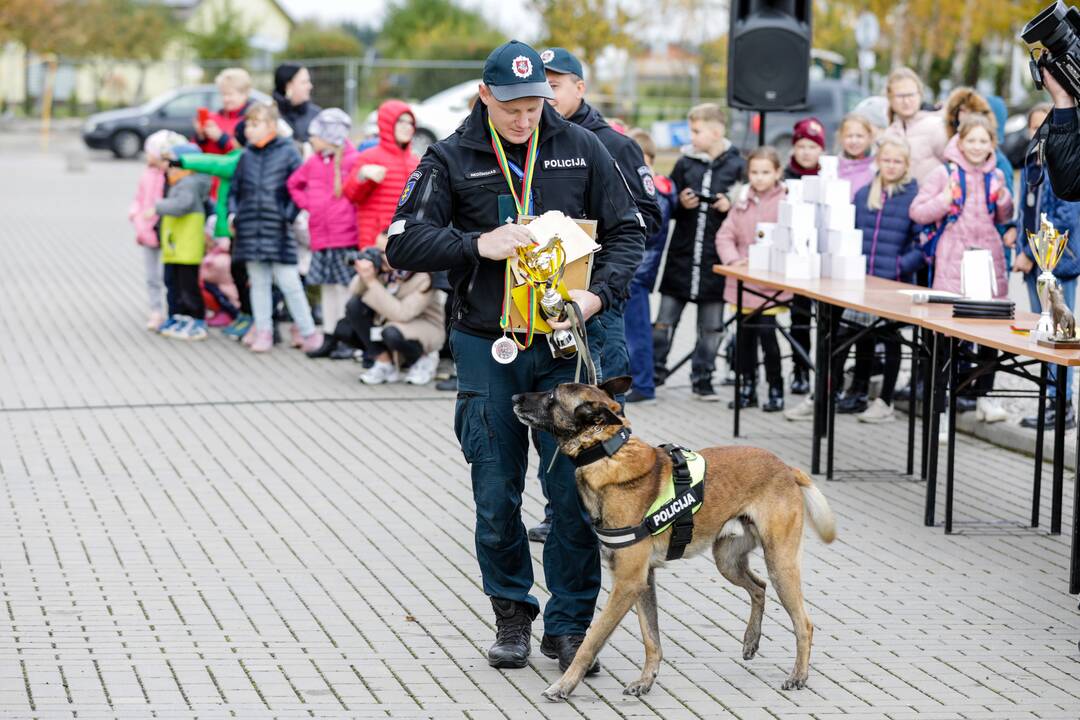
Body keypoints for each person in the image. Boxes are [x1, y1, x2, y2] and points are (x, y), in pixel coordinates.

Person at [385, 40, 643, 673]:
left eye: (534, 105)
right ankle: (511, 616)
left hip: (563, 346)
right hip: (488, 344)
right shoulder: (450, 156)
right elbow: (402, 242)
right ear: (484, 96)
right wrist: (478, 243)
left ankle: (569, 625)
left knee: (572, 492)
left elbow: (629, 233)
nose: (525, 120)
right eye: (512, 108)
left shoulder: (584, 149)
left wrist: (595, 296)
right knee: (495, 489)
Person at [542, 47, 661, 391]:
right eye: (541, 86)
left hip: (597, 299)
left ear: (579, 88)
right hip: (544, 298)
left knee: (599, 404)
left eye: (555, 85)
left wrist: (585, 232)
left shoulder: (614, 144)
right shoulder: (530, 143)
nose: (547, 95)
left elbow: (647, 221)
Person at [910, 114, 1014, 422]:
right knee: (948, 339)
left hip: (988, 259)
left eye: (984, 141)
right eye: (972, 140)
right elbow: (918, 211)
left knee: (988, 335)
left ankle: (984, 397)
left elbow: (1003, 216)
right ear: (960, 141)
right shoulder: (945, 173)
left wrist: (1005, 200)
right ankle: (941, 407)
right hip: (953, 261)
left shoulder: (996, 175)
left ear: (992, 144)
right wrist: (943, 200)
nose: (978, 146)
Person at [653, 102, 744, 400]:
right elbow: (668, 203)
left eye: (697, 131)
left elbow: (744, 205)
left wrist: (728, 205)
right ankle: (654, 373)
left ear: (717, 131)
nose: (691, 137)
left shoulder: (736, 164)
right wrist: (681, 202)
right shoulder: (685, 163)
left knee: (712, 327)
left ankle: (702, 378)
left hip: (715, 260)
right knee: (665, 321)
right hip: (682, 255)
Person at [833, 136, 924, 423]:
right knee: (852, 334)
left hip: (893, 283)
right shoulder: (863, 194)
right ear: (878, 161)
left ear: (907, 165)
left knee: (889, 338)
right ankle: (847, 392)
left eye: (898, 161)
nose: (892, 166)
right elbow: (849, 231)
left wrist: (901, 265)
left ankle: (885, 401)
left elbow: (924, 242)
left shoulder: (913, 197)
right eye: (887, 160)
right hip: (862, 281)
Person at [228, 102, 322, 354]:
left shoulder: (289, 153)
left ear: (271, 125)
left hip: (278, 229)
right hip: (250, 230)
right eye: (248, 124)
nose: (249, 129)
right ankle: (264, 331)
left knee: (289, 282)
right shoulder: (246, 156)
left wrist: (287, 215)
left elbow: (300, 187)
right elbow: (234, 190)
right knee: (258, 282)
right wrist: (234, 216)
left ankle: (308, 332)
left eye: (254, 124)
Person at [1014, 103, 1080, 430]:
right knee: (1042, 330)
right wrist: (1018, 243)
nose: (1039, 133)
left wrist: (1030, 251)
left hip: (1056, 263)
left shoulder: (1064, 166)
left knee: (1059, 333)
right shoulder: (1032, 164)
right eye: (1034, 127)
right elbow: (1025, 212)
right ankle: (1048, 403)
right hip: (1031, 262)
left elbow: (1062, 218)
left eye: (1046, 126)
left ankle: (1062, 404)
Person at [715, 146, 789, 412]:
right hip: (743, 283)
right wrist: (734, 261)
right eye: (754, 172)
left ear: (777, 173)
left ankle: (776, 387)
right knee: (744, 338)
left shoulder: (786, 201)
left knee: (768, 336)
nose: (759, 178)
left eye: (766, 172)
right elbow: (725, 236)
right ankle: (747, 386)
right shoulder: (742, 200)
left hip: (769, 285)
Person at [286, 109, 362, 358]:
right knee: (328, 288)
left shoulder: (352, 160)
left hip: (345, 236)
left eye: (315, 135)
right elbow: (293, 184)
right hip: (321, 236)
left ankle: (345, 337)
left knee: (343, 288)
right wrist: (309, 203)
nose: (311, 140)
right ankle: (329, 335)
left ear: (330, 136)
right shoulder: (314, 162)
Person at [338, 234, 446, 385]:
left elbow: (401, 314)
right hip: (389, 323)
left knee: (391, 333)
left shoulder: (424, 276)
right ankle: (384, 362)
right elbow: (354, 294)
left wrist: (371, 282)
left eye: (384, 252)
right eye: (376, 249)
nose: (377, 255)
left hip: (424, 327)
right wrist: (366, 277)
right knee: (348, 320)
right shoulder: (383, 271)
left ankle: (424, 359)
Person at [624, 127, 675, 404]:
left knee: (638, 331)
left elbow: (650, 231)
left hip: (638, 271)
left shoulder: (655, 192)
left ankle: (644, 384)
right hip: (633, 270)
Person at [783, 117, 827, 395]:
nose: (807, 151)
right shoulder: (785, 176)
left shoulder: (828, 177)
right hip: (793, 258)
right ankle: (800, 370)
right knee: (798, 320)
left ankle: (821, 374)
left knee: (824, 323)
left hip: (822, 257)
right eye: (802, 145)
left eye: (813, 146)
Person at [151, 142, 212, 340]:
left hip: (186, 246)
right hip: (175, 245)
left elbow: (182, 205)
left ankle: (195, 318)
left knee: (188, 284)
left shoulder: (190, 184)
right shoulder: (178, 183)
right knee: (172, 281)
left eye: (174, 164)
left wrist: (158, 207)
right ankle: (177, 316)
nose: (169, 169)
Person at [343, 100, 419, 249]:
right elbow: (351, 195)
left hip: (404, 241)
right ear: (388, 123)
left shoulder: (415, 161)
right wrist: (362, 175)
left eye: (411, 123)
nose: (407, 127)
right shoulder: (369, 157)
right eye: (401, 121)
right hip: (374, 243)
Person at [129, 130, 185, 331]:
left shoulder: (171, 175)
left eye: (149, 151)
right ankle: (155, 310)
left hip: (166, 229)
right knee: (152, 275)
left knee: (168, 275)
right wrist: (135, 214)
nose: (147, 155)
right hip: (146, 230)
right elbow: (139, 197)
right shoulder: (147, 175)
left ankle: (174, 310)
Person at [885, 67, 947, 184]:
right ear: (890, 98)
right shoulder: (889, 133)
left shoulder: (935, 127)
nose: (906, 101)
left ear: (920, 95)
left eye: (911, 95)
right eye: (900, 96)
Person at [194, 68, 254, 154]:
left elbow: (245, 154)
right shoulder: (213, 118)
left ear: (244, 94)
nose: (225, 99)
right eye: (223, 94)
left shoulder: (251, 121)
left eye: (230, 94)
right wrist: (201, 137)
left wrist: (220, 137)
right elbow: (198, 150)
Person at [273, 63, 322, 145]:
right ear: (288, 85)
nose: (310, 86)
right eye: (304, 82)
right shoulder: (270, 115)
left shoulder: (316, 115)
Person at [837, 113, 876, 199]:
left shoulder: (875, 169)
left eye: (859, 136)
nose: (854, 141)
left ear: (869, 137)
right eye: (849, 136)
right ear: (841, 138)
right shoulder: (834, 168)